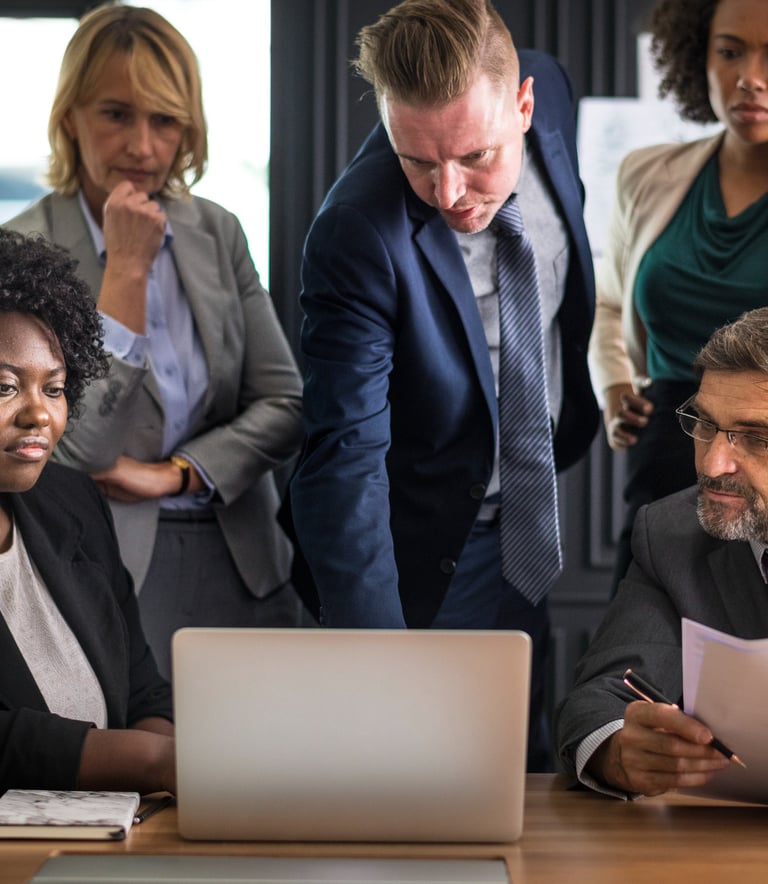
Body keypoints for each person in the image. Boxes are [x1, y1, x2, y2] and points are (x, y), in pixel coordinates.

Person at [288, 0, 598, 771]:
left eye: (476, 156)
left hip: (527, 522)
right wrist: (380, 662)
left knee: (514, 771)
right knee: (411, 781)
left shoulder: (551, 89)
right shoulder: (355, 233)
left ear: (524, 104)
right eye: (418, 161)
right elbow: (343, 456)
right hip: (418, 554)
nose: (450, 191)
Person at [6, 4, 304, 678]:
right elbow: (75, 447)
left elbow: (285, 404)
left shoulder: (217, 230)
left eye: (165, 120)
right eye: (116, 114)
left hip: (246, 559)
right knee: (154, 773)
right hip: (105, 565)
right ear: (71, 115)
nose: (143, 147)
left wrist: (174, 474)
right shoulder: (21, 250)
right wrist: (129, 270)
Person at [589, 0, 768, 593]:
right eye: (729, 51)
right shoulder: (647, 174)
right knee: (640, 654)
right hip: (668, 445)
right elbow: (610, 302)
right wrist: (614, 384)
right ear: (697, 56)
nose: (749, 77)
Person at [556, 305, 768, 798]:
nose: (714, 463)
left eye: (756, 438)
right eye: (706, 424)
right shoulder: (672, 534)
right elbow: (597, 701)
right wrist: (618, 750)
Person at [0, 227, 175, 794]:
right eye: (5, 387)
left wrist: (159, 788)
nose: (38, 416)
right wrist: (146, 762)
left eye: (53, 388)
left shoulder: (70, 500)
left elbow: (143, 690)